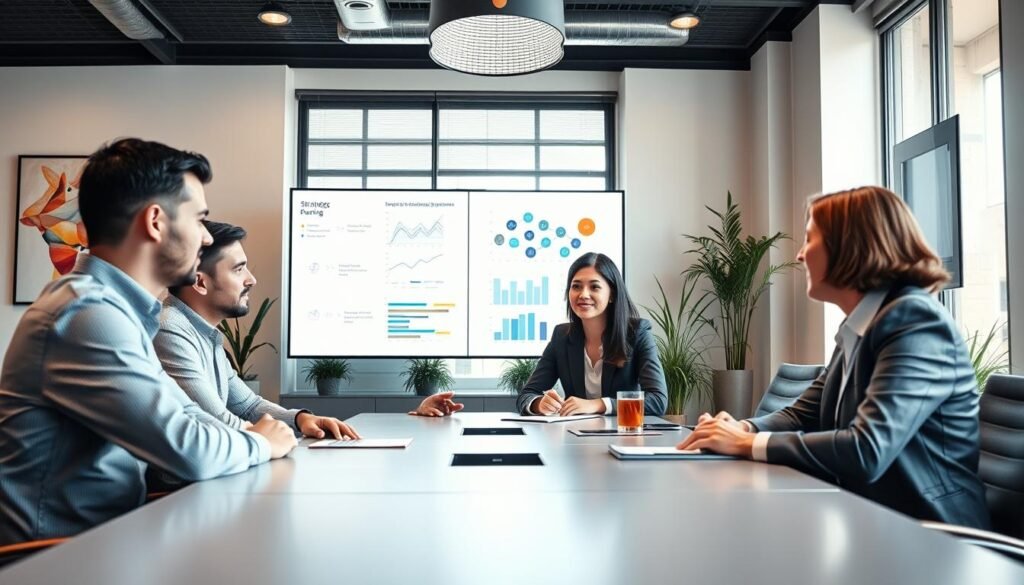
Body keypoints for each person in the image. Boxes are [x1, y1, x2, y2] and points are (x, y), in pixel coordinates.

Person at [0, 138, 296, 546]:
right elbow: (189, 449)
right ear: (156, 221)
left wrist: (266, 433)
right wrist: (261, 441)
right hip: (55, 559)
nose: (205, 239)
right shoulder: (85, 314)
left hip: (108, 541)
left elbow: (188, 415)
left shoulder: (119, 311)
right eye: (198, 220)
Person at [677, 186, 990, 529]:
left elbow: (866, 450)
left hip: (932, 533)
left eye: (809, 239)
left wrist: (747, 442)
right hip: (870, 519)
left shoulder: (916, 321)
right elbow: (802, 414)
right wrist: (742, 427)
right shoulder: (859, 325)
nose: (800, 255)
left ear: (850, 247)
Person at [156, 220, 360, 441]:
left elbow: (247, 405)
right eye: (238, 269)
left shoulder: (204, 333)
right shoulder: (170, 329)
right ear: (200, 283)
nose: (251, 280)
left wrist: (299, 419)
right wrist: (271, 440)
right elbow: (215, 421)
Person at [516, 252, 667, 417]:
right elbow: (527, 395)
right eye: (576, 286)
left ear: (612, 294)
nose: (583, 294)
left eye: (594, 287)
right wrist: (539, 404)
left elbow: (658, 400)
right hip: (574, 432)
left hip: (623, 431)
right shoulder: (561, 336)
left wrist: (599, 404)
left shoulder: (637, 333)